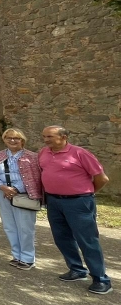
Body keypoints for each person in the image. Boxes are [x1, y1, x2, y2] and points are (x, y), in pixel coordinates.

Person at [39, 126, 111, 294]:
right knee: (62, 238)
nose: (46, 139)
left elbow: (102, 178)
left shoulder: (80, 153)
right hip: (54, 201)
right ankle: (77, 270)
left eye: (50, 136)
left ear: (64, 136)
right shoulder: (44, 153)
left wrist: (87, 193)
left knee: (87, 240)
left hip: (78, 203)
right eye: (44, 136)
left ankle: (101, 279)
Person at [0, 128, 42, 270]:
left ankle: (28, 258)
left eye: (16, 138)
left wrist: (15, 189)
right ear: (4, 139)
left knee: (25, 227)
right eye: (8, 138)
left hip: (23, 195)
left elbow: (35, 178)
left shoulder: (32, 157)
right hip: (2, 193)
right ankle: (17, 255)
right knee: (9, 226)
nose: (12, 140)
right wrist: (3, 187)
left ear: (22, 140)